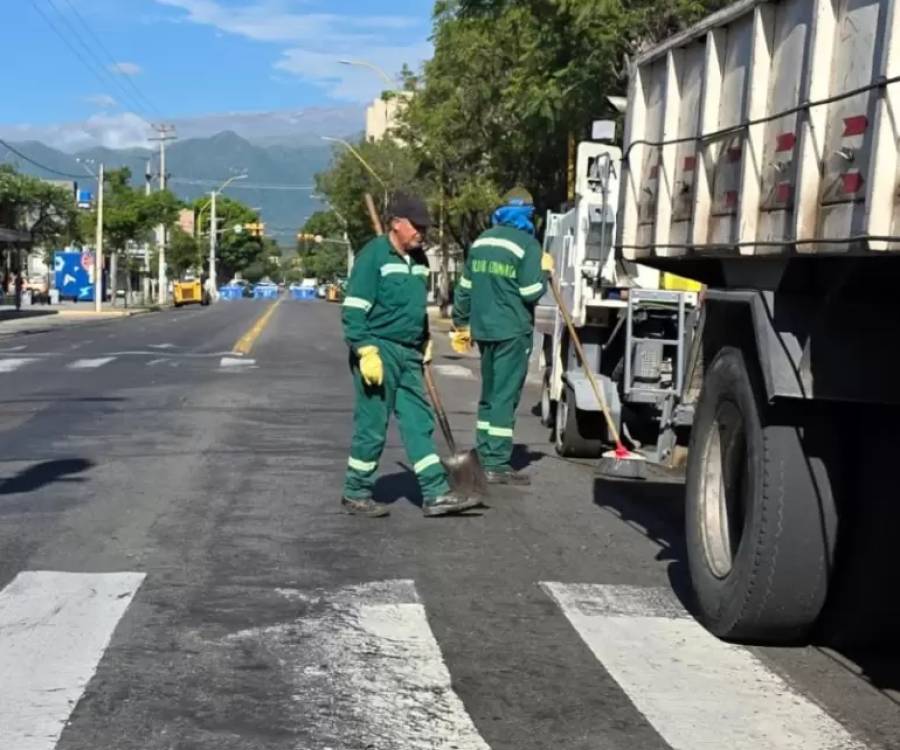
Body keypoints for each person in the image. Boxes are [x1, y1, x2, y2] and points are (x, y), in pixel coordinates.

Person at [340, 192, 483, 519]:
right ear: (396, 224)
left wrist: (424, 339)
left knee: (419, 422)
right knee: (373, 426)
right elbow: (353, 311)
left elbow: (415, 309)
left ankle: (435, 493)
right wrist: (365, 351)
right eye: (416, 225)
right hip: (379, 348)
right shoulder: (373, 256)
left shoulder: (418, 261)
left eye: (424, 226)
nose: (422, 232)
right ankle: (356, 492)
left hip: (409, 353)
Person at [450, 187, 554, 485]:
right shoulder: (527, 245)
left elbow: (465, 287)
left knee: (489, 394)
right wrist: (544, 272)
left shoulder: (482, 241)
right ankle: (496, 462)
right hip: (512, 331)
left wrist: (461, 323)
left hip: (484, 331)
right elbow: (530, 292)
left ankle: (483, 453)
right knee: (504, 398)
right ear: (528, 215)